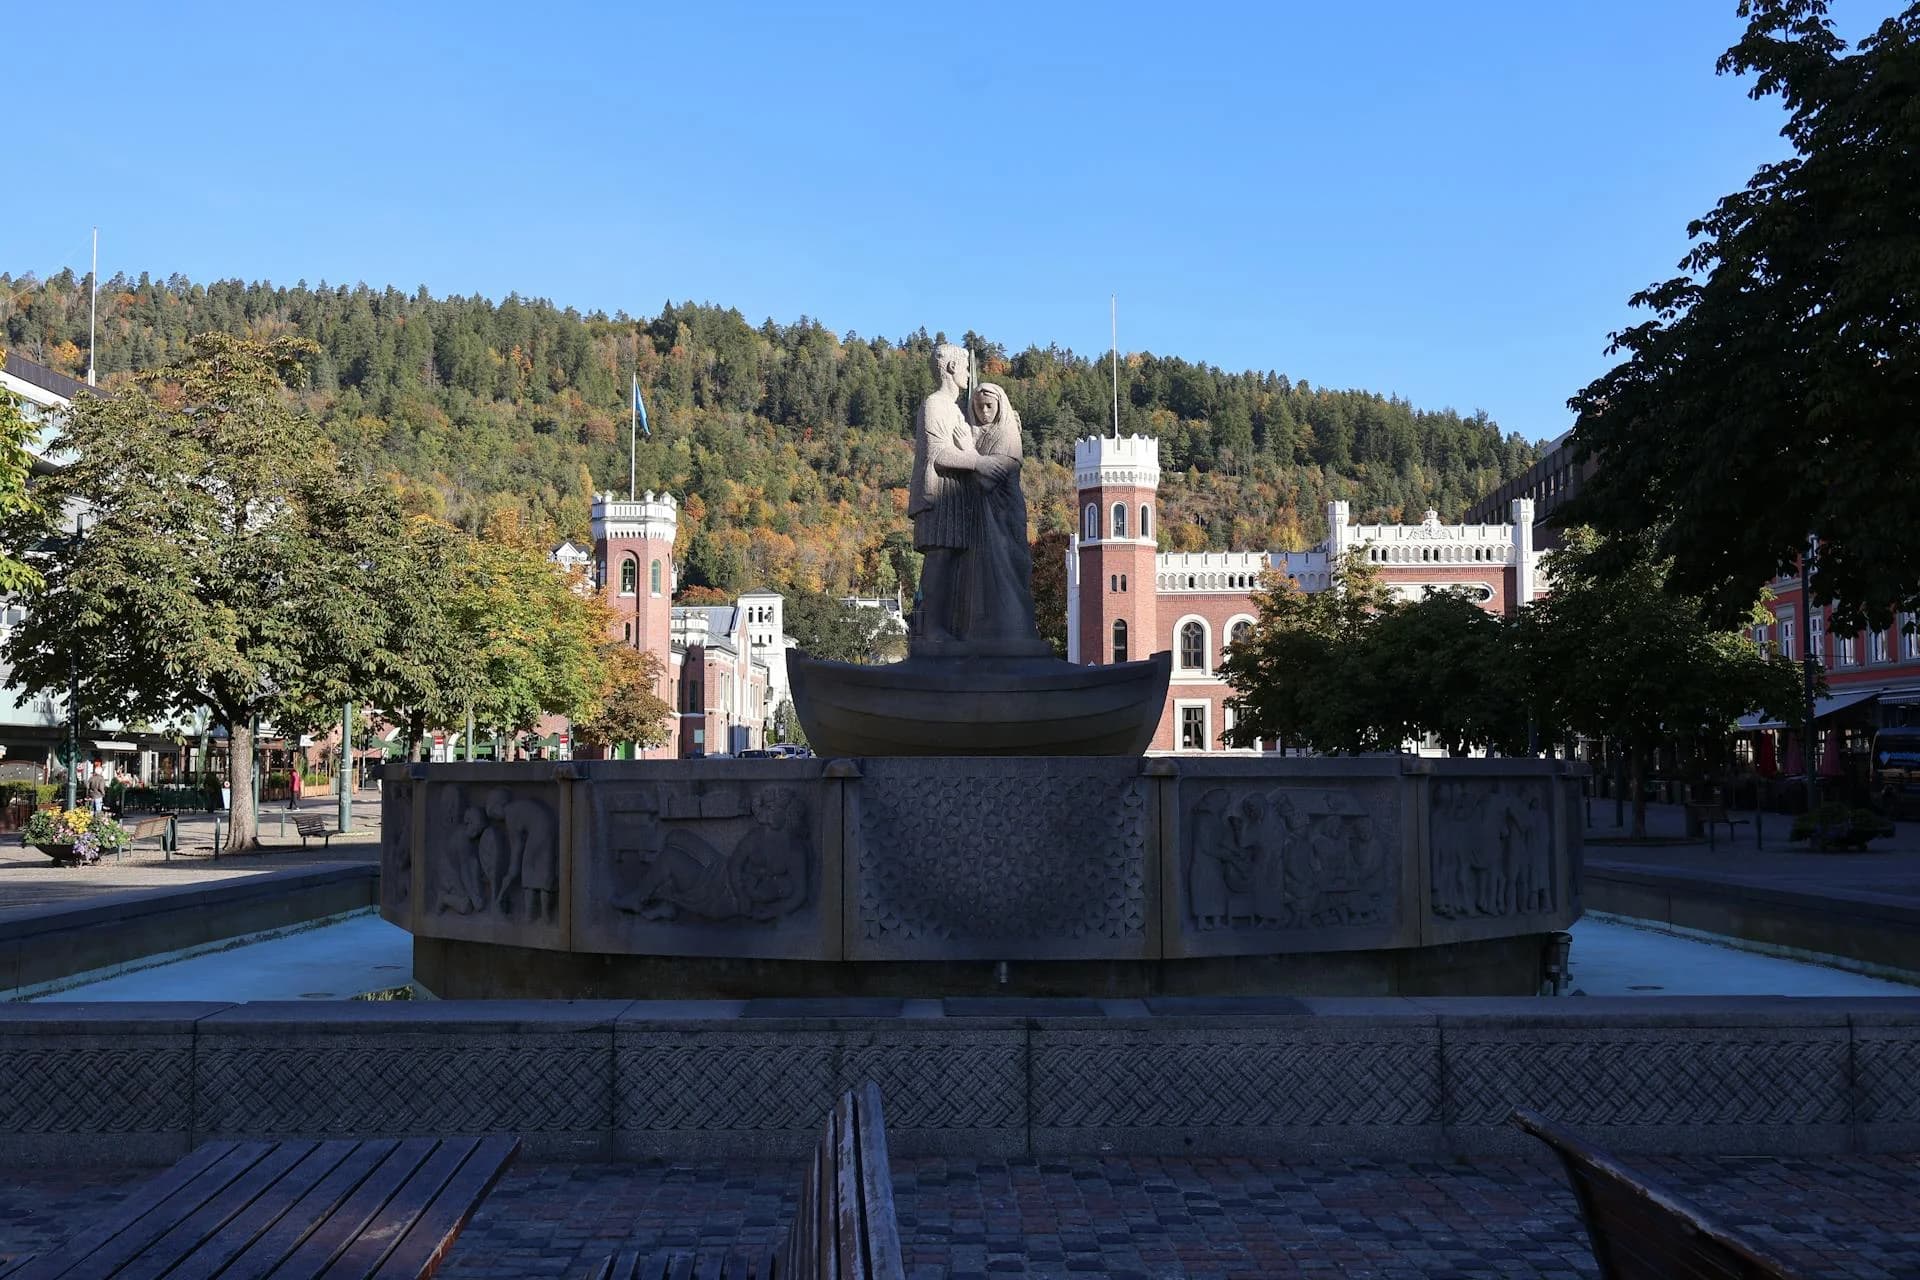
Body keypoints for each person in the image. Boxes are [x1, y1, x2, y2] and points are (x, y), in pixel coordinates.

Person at [906, 343, 1010, 644]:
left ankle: (942, 627)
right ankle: (930, 629)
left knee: (951, 560)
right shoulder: (935, 404)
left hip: (955, 494)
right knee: (939, 557)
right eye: (964, 367)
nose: (967, 374)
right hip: (939, 493)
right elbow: (938, 453)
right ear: (951, 368)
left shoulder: (952, 409)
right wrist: (980, 462)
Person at [965, 383, 1042, 643]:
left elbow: (989, 479)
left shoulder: (1008, 436)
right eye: (979, 407)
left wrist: (966, 455)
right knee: (984, 574)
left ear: (1000, 407)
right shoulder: (978, 433)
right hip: (982, 518)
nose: (984, 411)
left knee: (1010, 568)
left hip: (1005, 514)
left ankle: (1014, 626)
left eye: (989, 406)